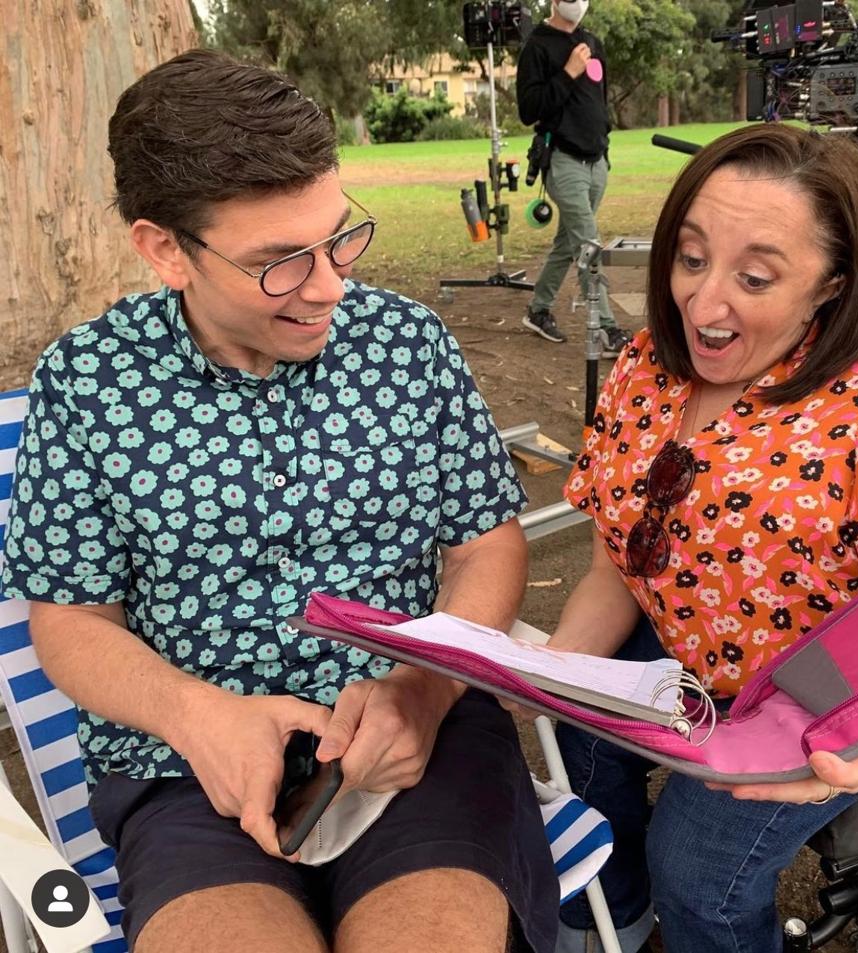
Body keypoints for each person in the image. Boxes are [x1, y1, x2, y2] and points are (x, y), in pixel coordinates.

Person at [0, 49, 559, 953]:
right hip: (188, 772)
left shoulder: (405, 346)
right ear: (164, 249)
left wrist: (420, 689)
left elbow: (483, 546)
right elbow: (69, 620)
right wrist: (199, 717)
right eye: (279, 262)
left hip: (419, 743)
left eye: (338, 236)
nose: (333, 285)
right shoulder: (89, 382)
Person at [545, 123, 858, 953]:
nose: (702, 304)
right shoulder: (646, 365)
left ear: (831, 283)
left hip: (825, 695)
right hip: (680, 647)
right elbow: (613, 565)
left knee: (697, 869)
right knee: (575, 746)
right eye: (690, 259)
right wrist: (546, 682)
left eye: (755, 276)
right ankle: (612, 925)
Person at [516, 0, 631, 354]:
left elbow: (599, 96)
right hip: (564, 160)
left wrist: (604, 137)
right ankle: (606, 328)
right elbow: (528, 110)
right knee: (588, 243)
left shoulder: (592, 42)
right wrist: (567, 72)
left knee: (568, 244)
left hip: (597, 161)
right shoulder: (537, 45)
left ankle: (538, 309)